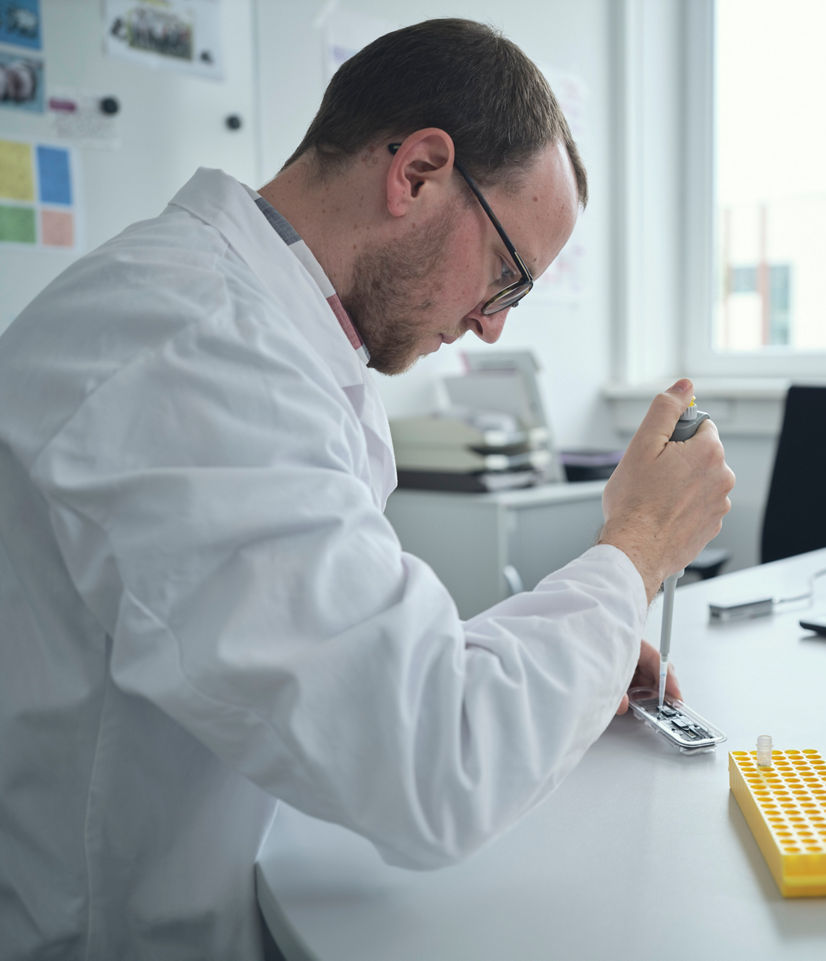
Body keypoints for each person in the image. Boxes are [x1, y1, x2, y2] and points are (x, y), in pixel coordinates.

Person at [0, 18, 733, 960]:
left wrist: (564, 656)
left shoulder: (260, 326)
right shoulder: (187, 345)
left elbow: (339, 642)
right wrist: (635, 546)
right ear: (419, 171)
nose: (492, 325)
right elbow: (434, 766)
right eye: (507, 276)